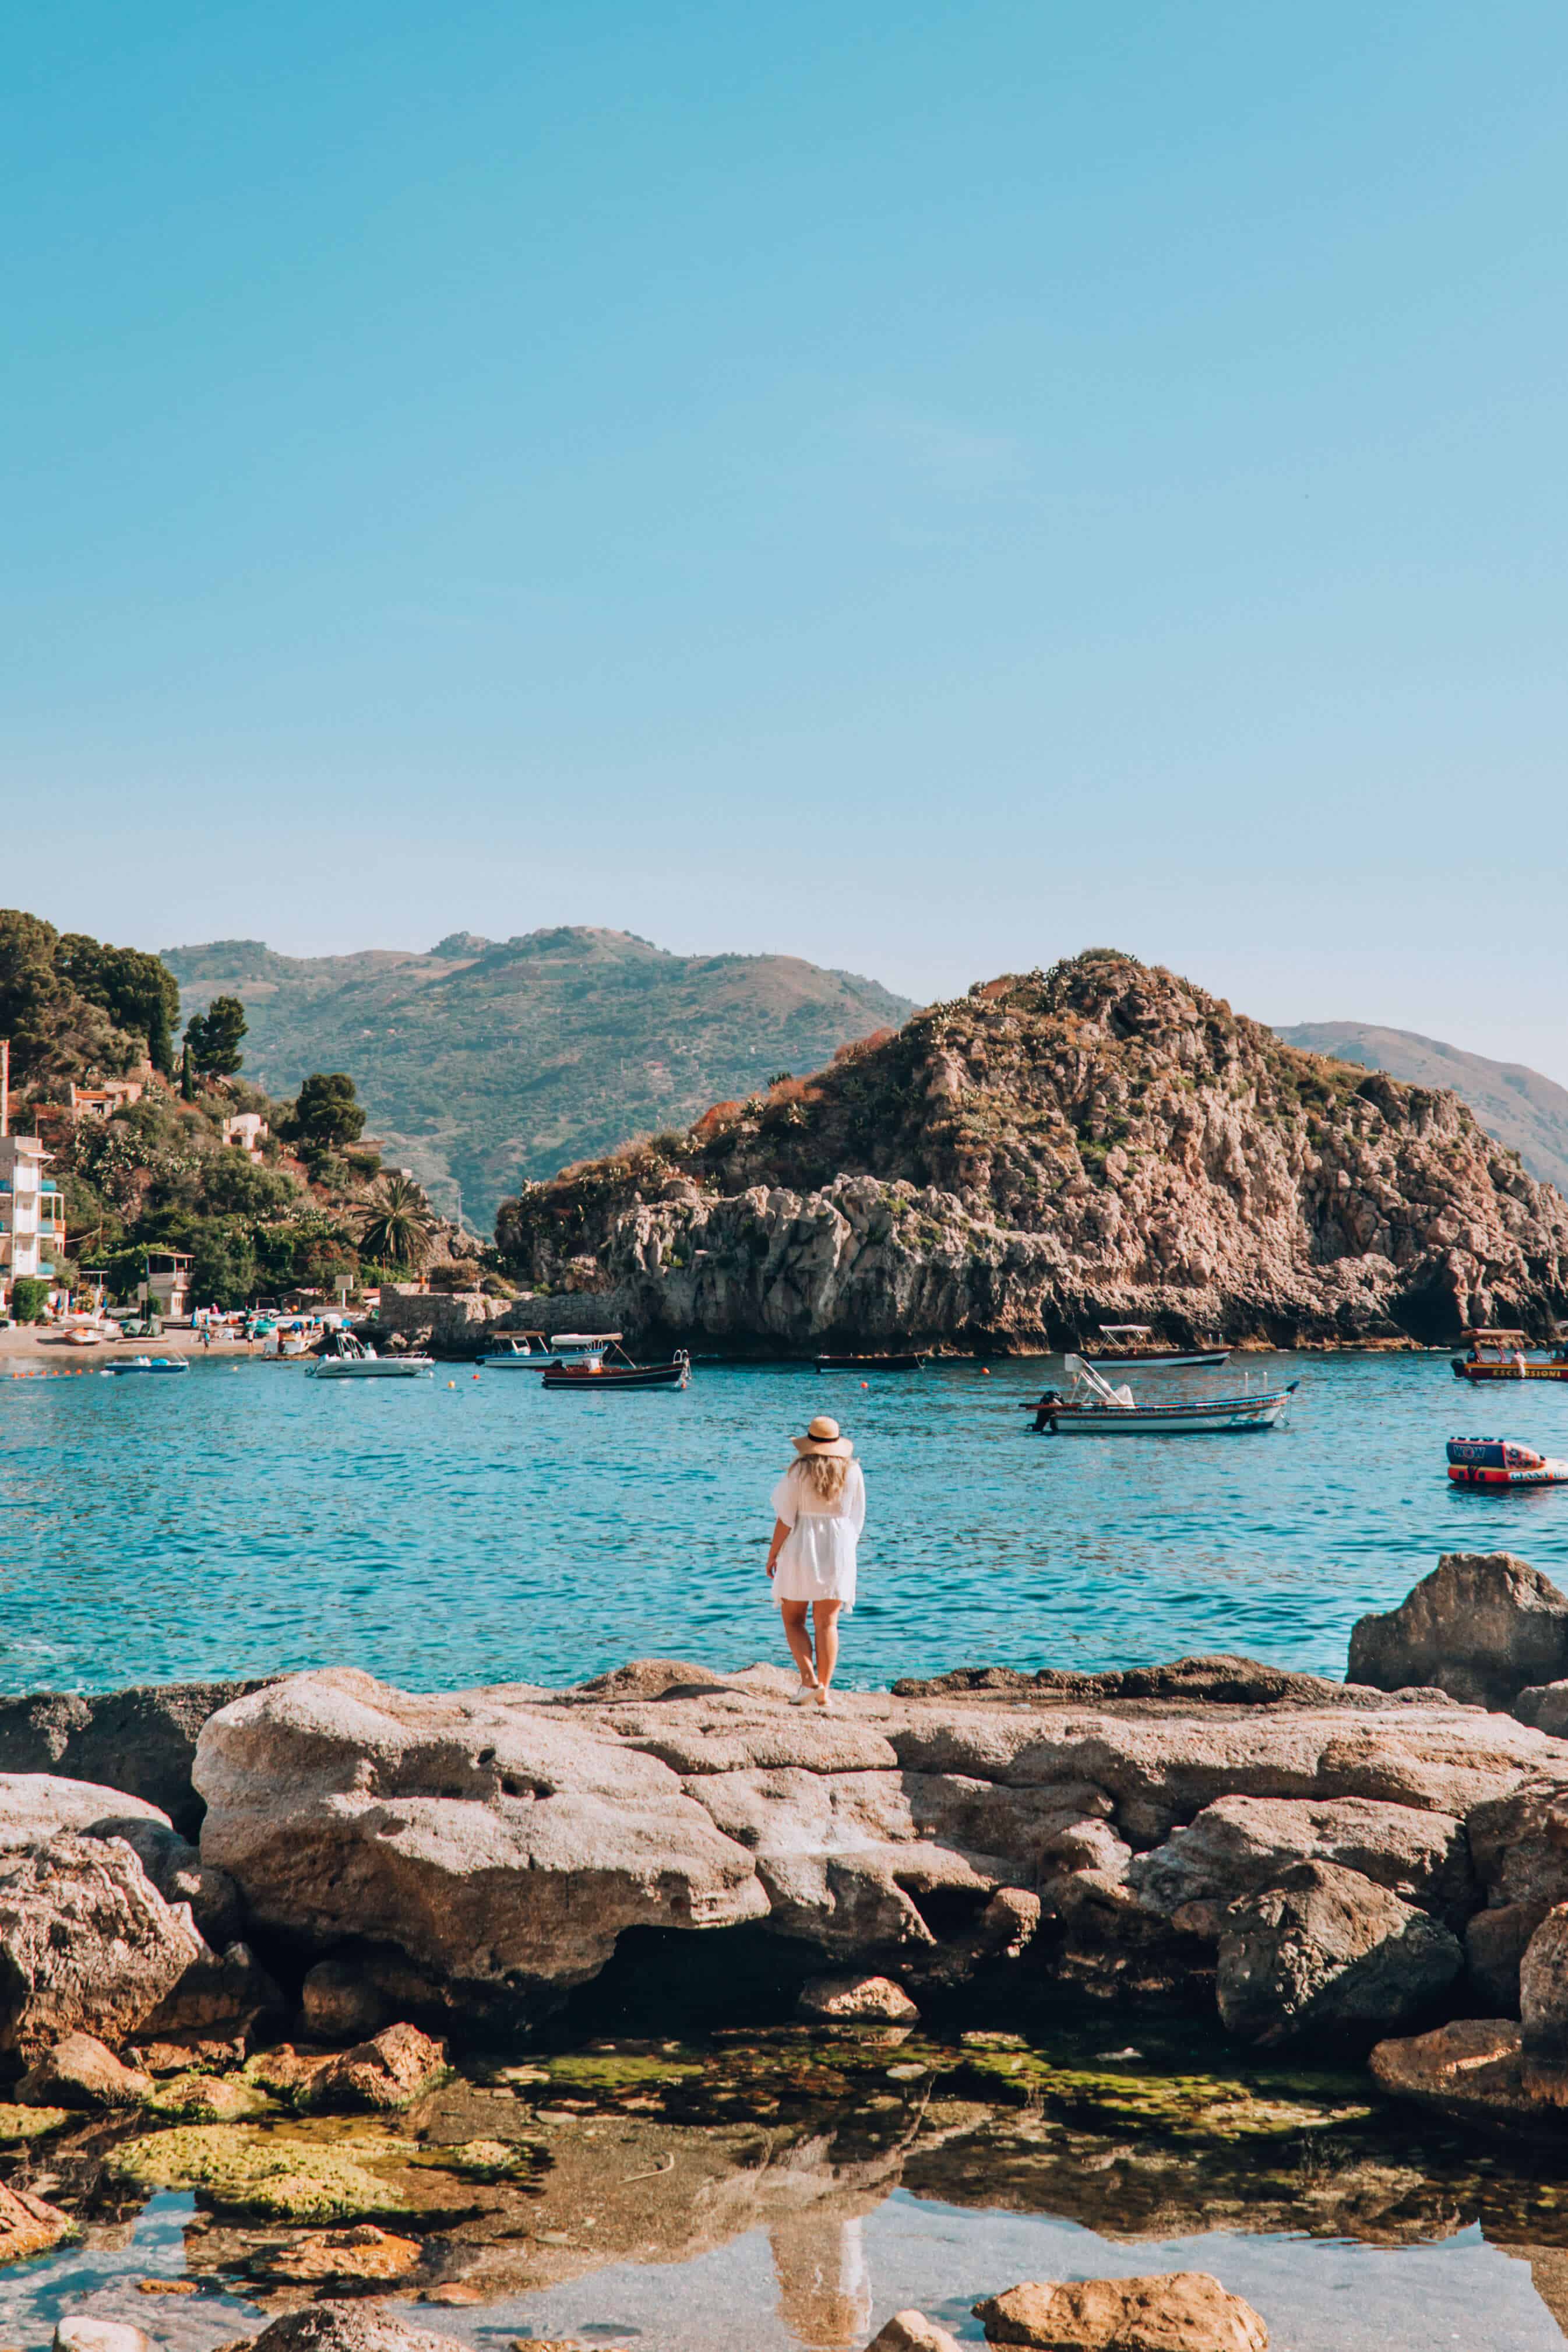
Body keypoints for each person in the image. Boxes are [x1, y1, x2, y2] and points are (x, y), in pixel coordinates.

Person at [766, 1415, 866, 1708]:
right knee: (827, 1623)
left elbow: (785, 1518)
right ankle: (824, 1691)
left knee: (793, 1619)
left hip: (800, 1545)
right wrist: (845, 1548)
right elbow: (857, 1519)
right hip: (839, 1546)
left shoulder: (798, 1471)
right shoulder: (854, 1471)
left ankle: (808, 1680)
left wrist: (773, 1554)